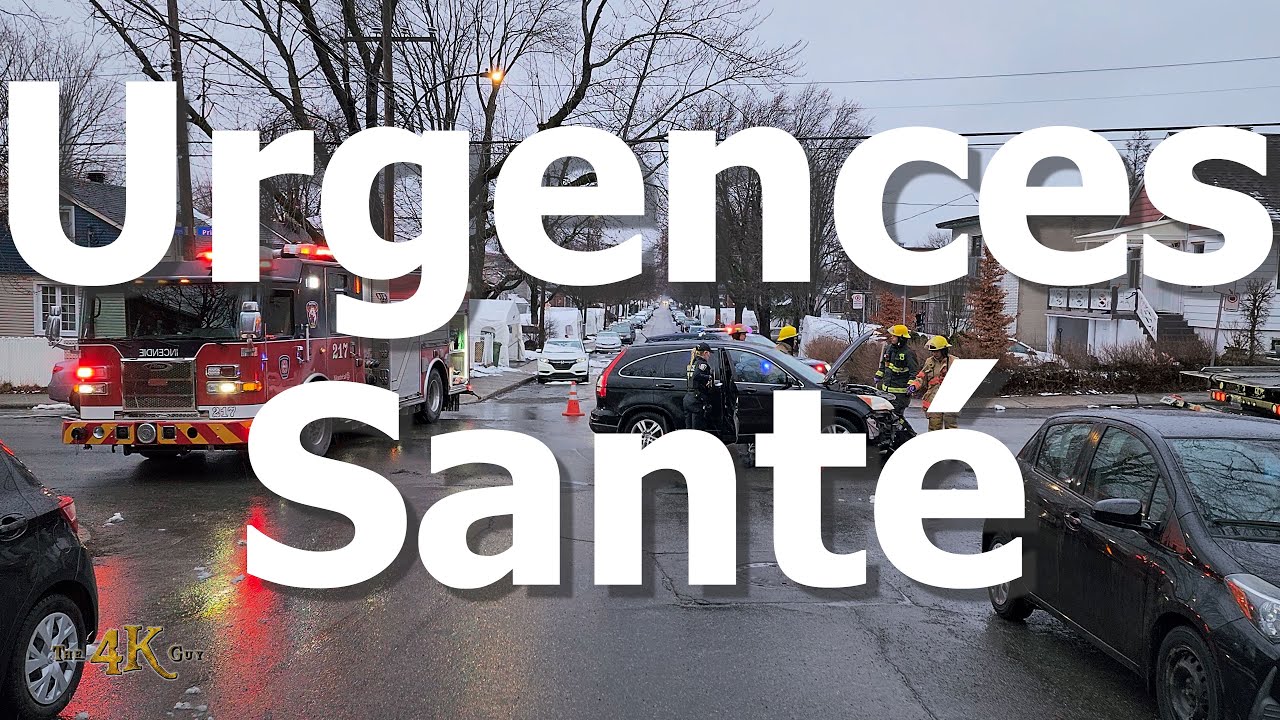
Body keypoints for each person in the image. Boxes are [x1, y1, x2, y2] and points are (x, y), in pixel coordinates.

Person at [908, 335, 959, 431]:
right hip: (933, 399)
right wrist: (914, 386)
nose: (934, 354)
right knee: (934, 428)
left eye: (936, 351)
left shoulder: (954, 361)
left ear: (943, 350)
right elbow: (922, 377)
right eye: (932, 351)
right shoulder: (929, 362)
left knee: (951, 428)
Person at [875, 324, 918, 415]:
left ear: (901, 338)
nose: (892, 338)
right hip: (886, 392)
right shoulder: (889, 349)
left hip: (900, 395)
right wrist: (878, 375)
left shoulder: (908, 353)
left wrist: (911, 385)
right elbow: (884, 364)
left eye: (894, 336)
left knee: (896, 417)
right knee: (886, 416)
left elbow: (914, 372)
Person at [684, 342, 717, 431]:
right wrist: (709, 377)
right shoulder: (702, 364)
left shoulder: (692, 363)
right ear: (705, 353)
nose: (709, 356)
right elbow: (697, 376)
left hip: (688, 398)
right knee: (697, 428)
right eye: (709, 353)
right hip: (697, 399)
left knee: (689, 429)